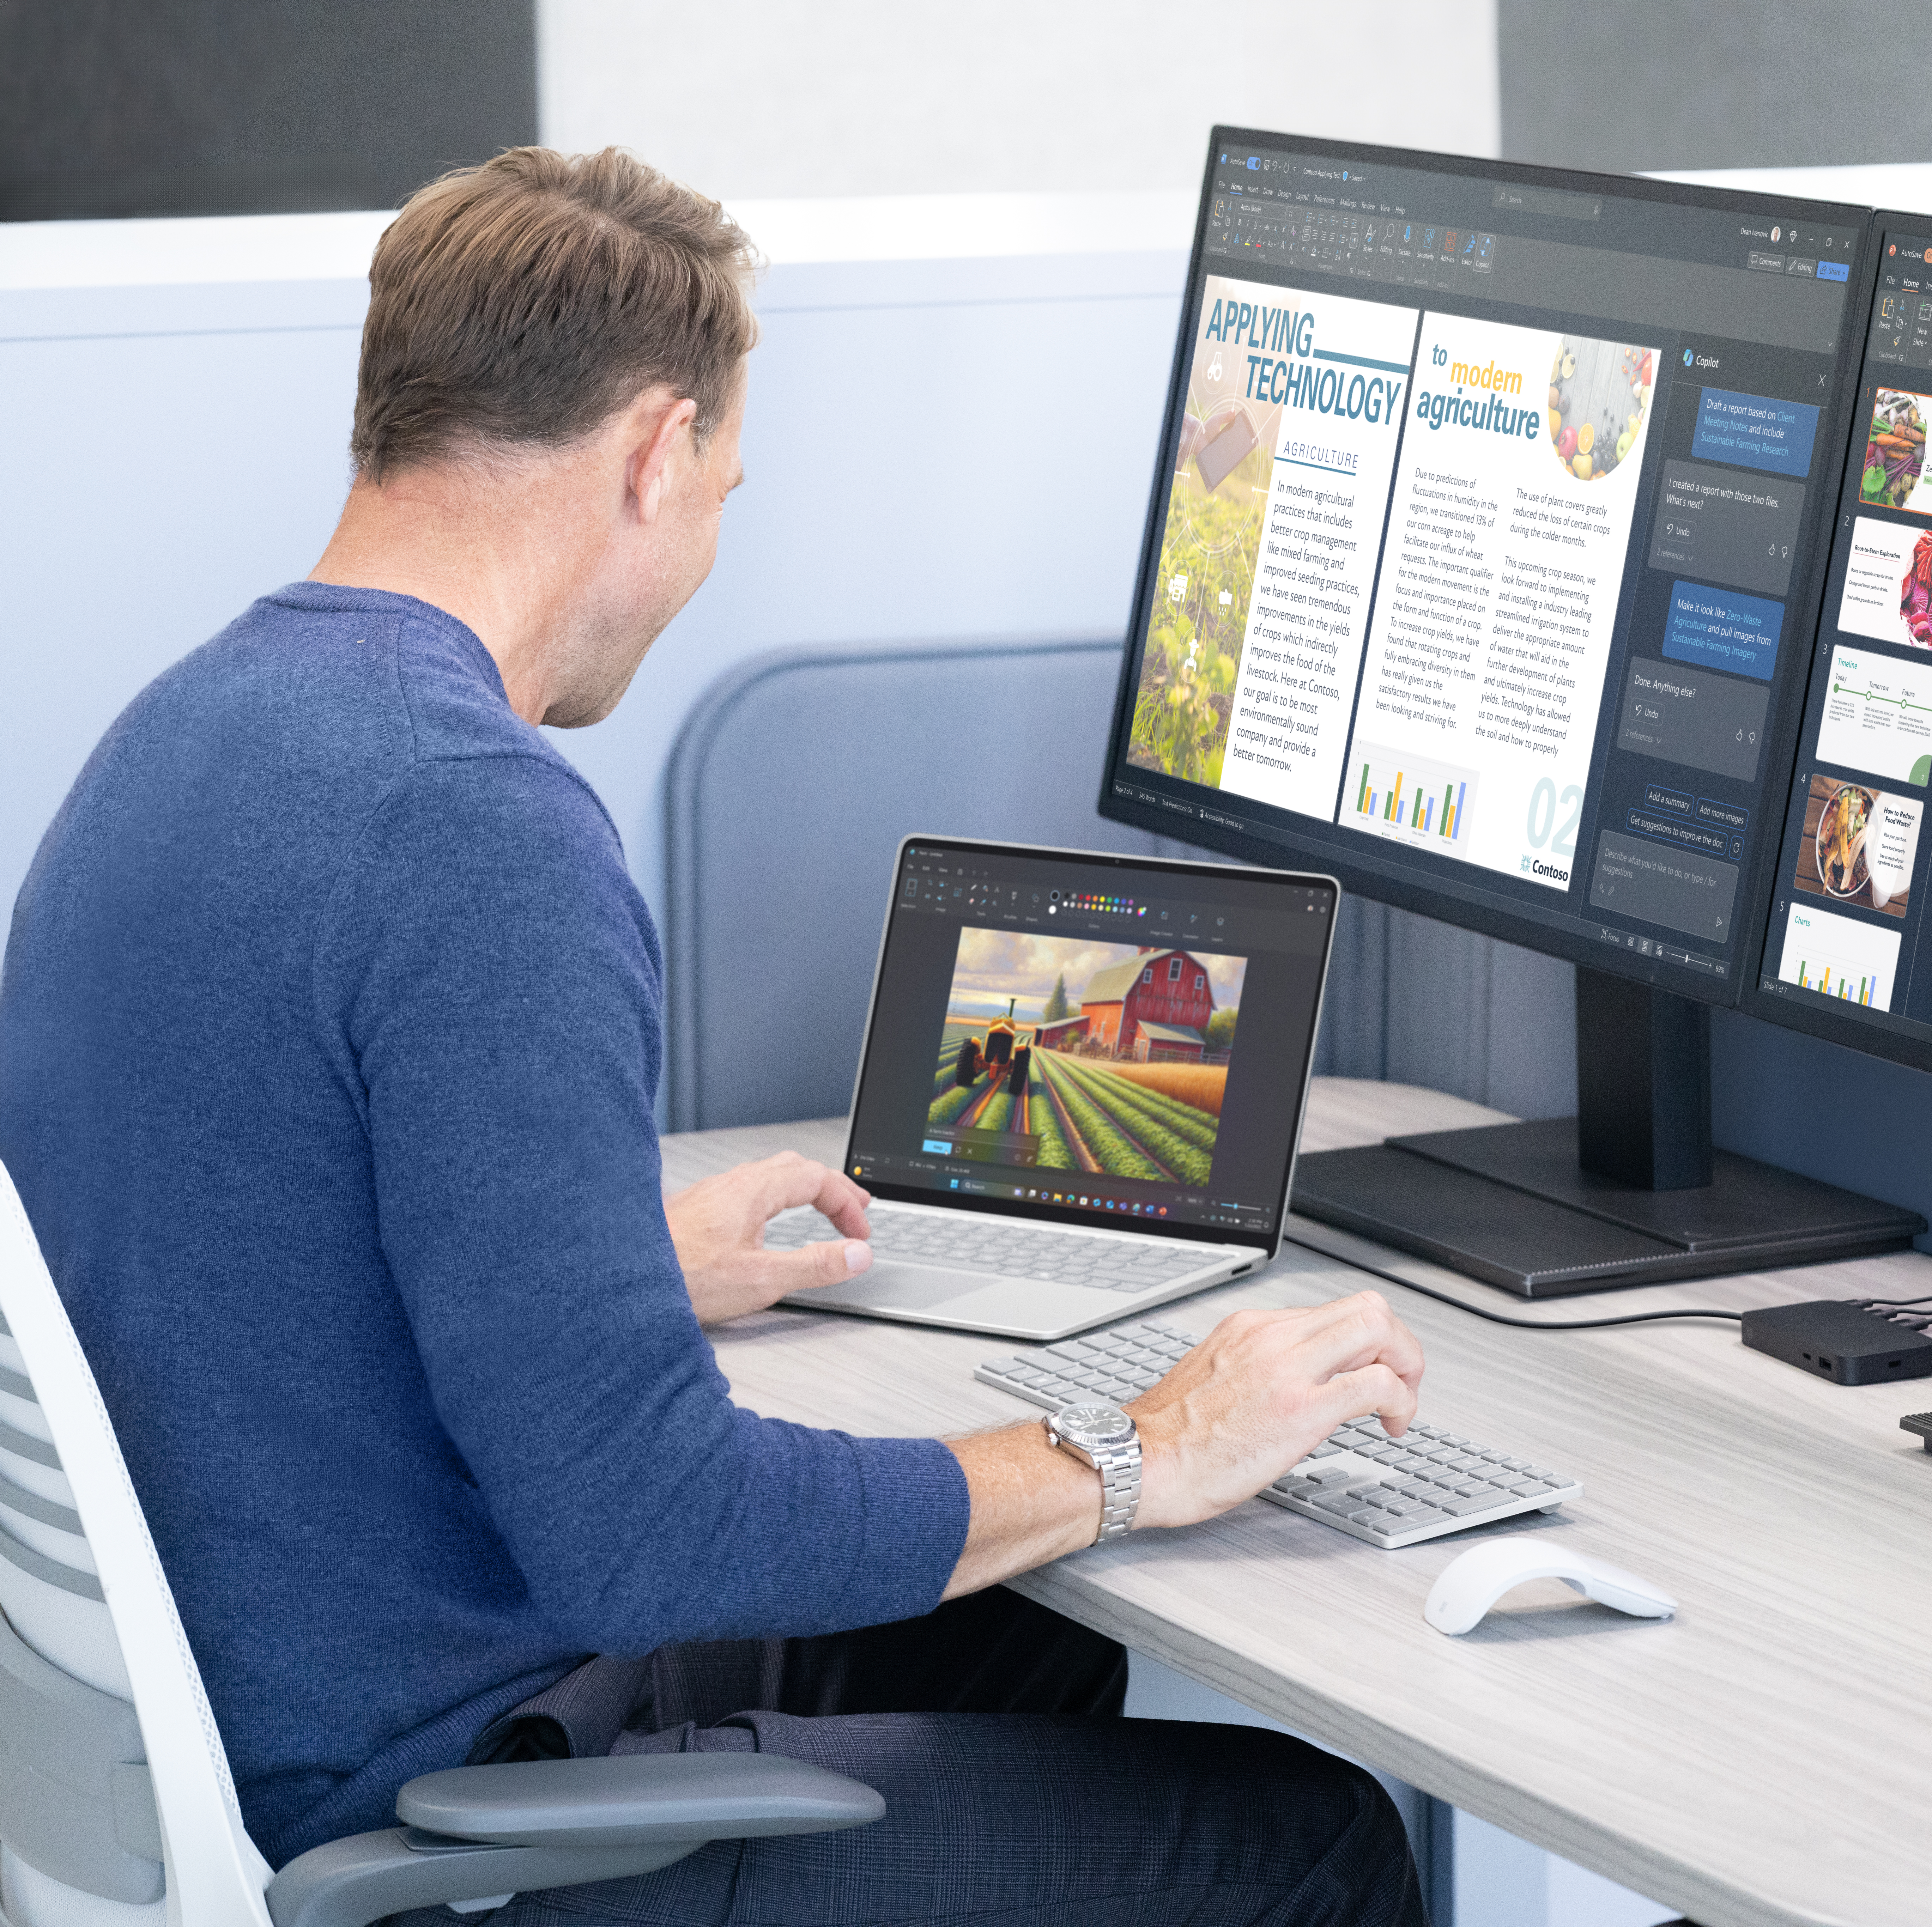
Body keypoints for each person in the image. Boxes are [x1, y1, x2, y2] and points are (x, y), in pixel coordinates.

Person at [0, 146, 1428, 1927]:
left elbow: (226, 1252)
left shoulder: (185, 730)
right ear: (656, 452)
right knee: (1305, 1841)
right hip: (433, 1814)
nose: (702, 547)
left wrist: (604, 1273)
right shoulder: (476, 823)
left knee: (1014, 1657)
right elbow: (647, 1532)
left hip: (268, 1696)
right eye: (725, 487)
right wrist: (1138, 1446)